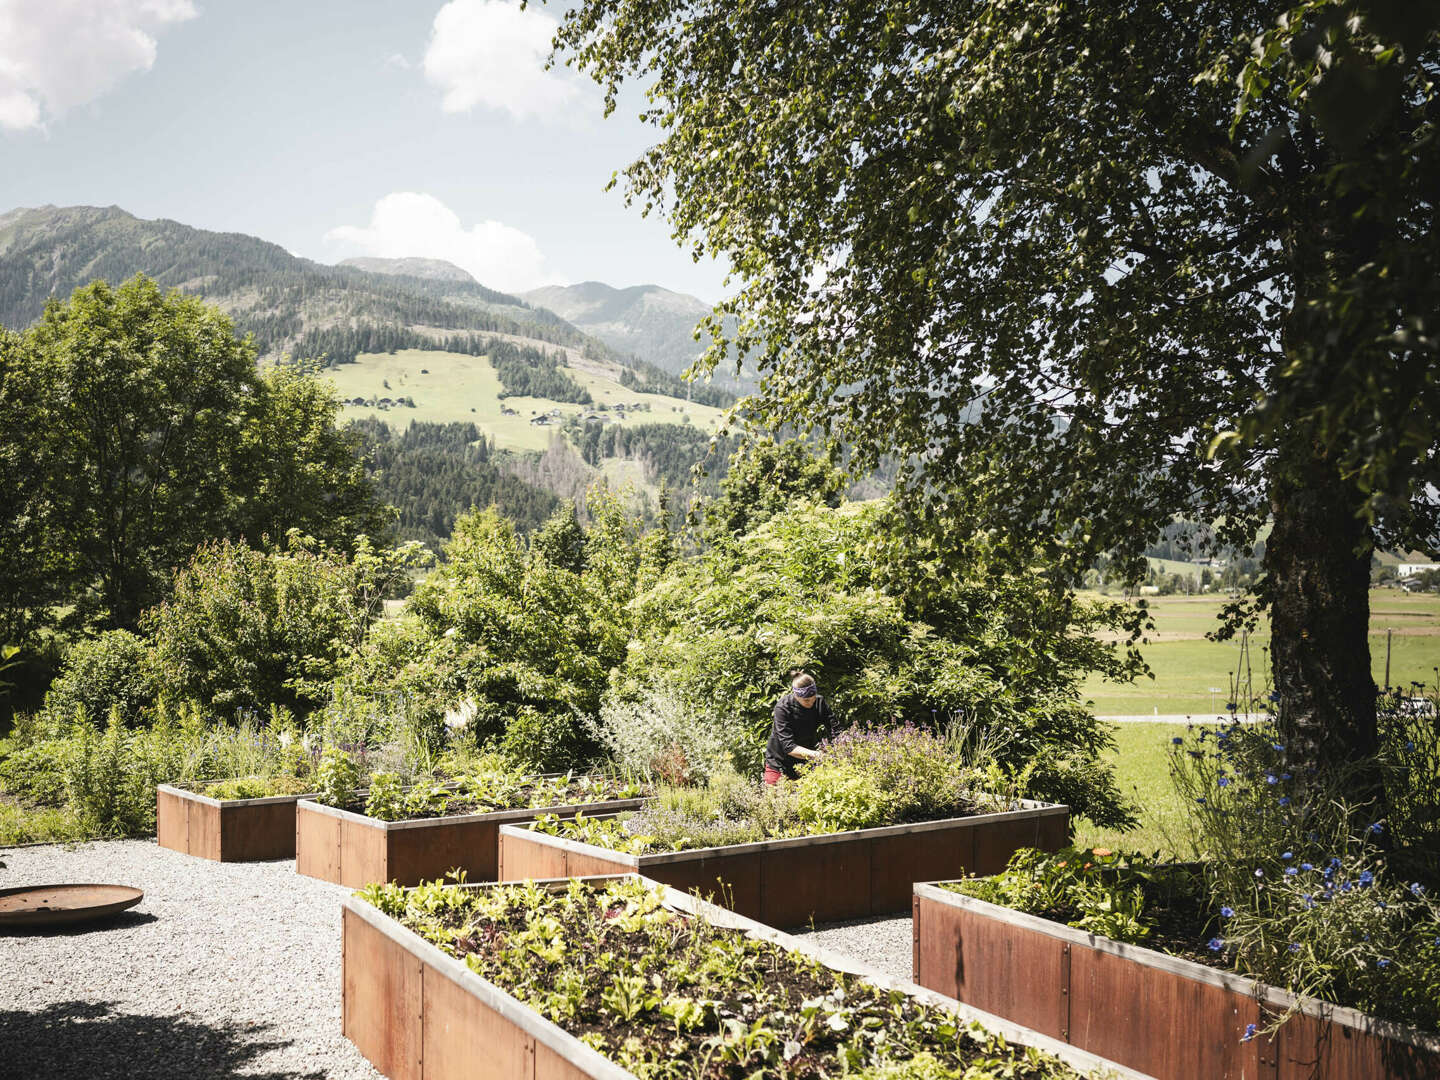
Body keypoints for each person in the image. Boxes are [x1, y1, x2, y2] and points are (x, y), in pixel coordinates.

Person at [763, 671, 834, 784]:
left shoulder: (819, 702)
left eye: (813, 697)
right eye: (806, 700)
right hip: (779, 762)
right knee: (774, 799)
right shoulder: (783, 708)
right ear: (796, 695)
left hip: (804, 762)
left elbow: (835, 730)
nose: (811, 702)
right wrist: (818, 755)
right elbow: (788, 747)